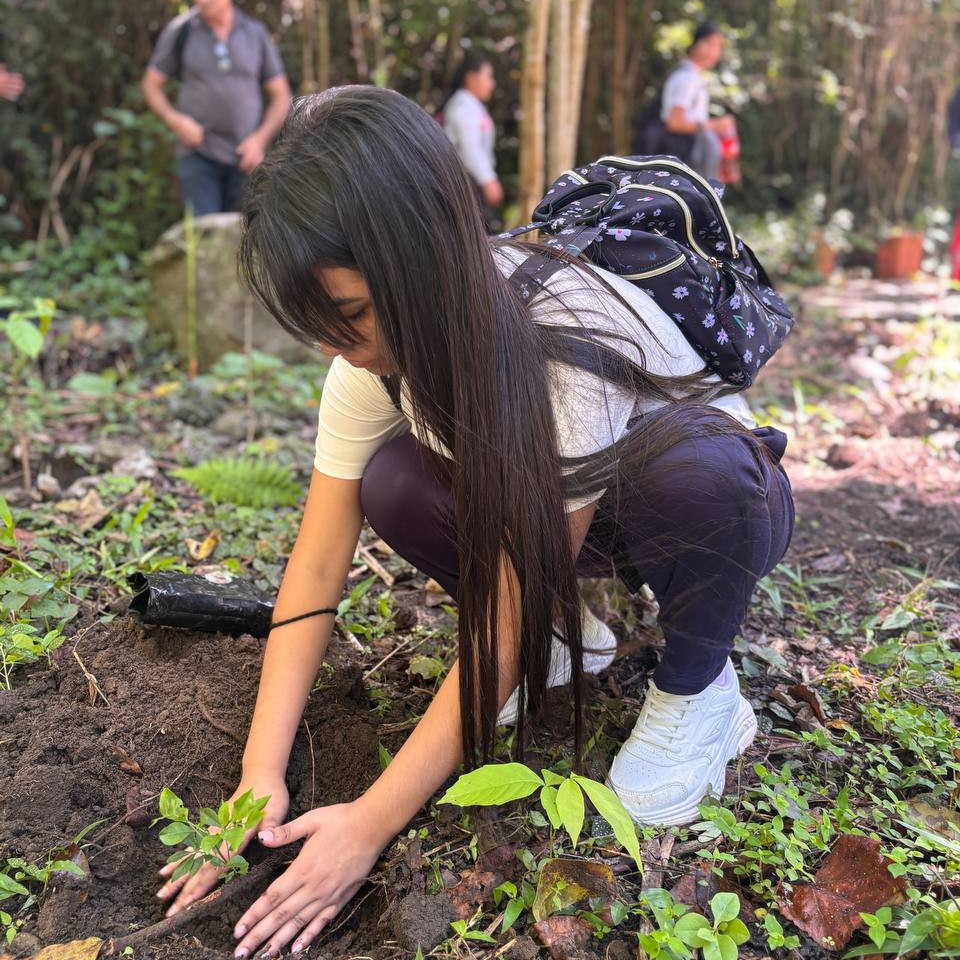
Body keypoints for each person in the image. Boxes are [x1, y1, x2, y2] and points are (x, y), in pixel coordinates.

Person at [154, 87, 794, 959]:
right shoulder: (372, 364)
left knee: (700, 477)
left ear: (423, 262)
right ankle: (577, 639)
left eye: (351, 320)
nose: (340, 350)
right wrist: (258, 774)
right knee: (393, 480)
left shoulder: (562, 342)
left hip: (691, 506)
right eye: (321, 329)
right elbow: (314, 567)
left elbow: (507, 606)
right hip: (562, 512)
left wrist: (371, 822)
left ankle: (698, 690)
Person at [141, 0, 291, 216]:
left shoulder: (255, 33)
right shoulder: (181, 30)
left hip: (246, 159)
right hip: (198, 154)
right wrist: (175, 121)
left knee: (246, 238)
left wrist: (259, 140)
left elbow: (281, 96)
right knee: (204, 236)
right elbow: (151, 85)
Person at [660, 21, 736, 179]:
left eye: (719, 47)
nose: (715, 52)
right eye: (712, 44)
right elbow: (674, 122)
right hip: (685, 156)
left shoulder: (692, 76)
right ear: (698, 43)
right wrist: (716, 125)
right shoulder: (687, 78)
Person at [442, 52, 503, 230]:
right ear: (471, 77)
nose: (492, 84)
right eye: (488, 77)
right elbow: (469, 147)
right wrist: (488, 180)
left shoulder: (471, 105)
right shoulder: (463, 105)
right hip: (469, 183)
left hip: (472, 182)